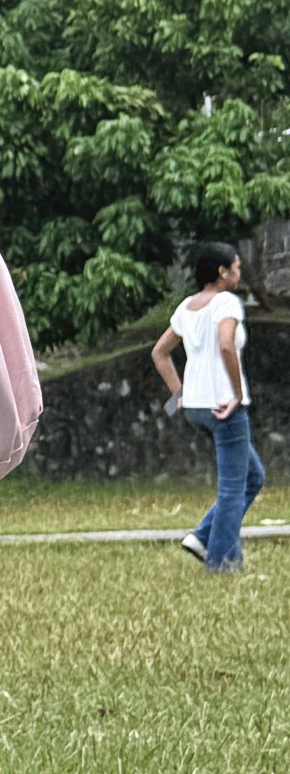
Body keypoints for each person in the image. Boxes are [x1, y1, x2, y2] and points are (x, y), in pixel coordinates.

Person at [152, 244, 264, 572]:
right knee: (233, 487)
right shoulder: (227, 302)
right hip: (223, 406)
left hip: (196, 408)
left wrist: (180, 395)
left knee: (252, 476)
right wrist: (238, 392)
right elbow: (226, 344)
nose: (239, 274)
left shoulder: (187, 307)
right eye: (236, 268)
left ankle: (203, 536)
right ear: (222, 272)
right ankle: (223, 563)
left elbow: (160, 352)